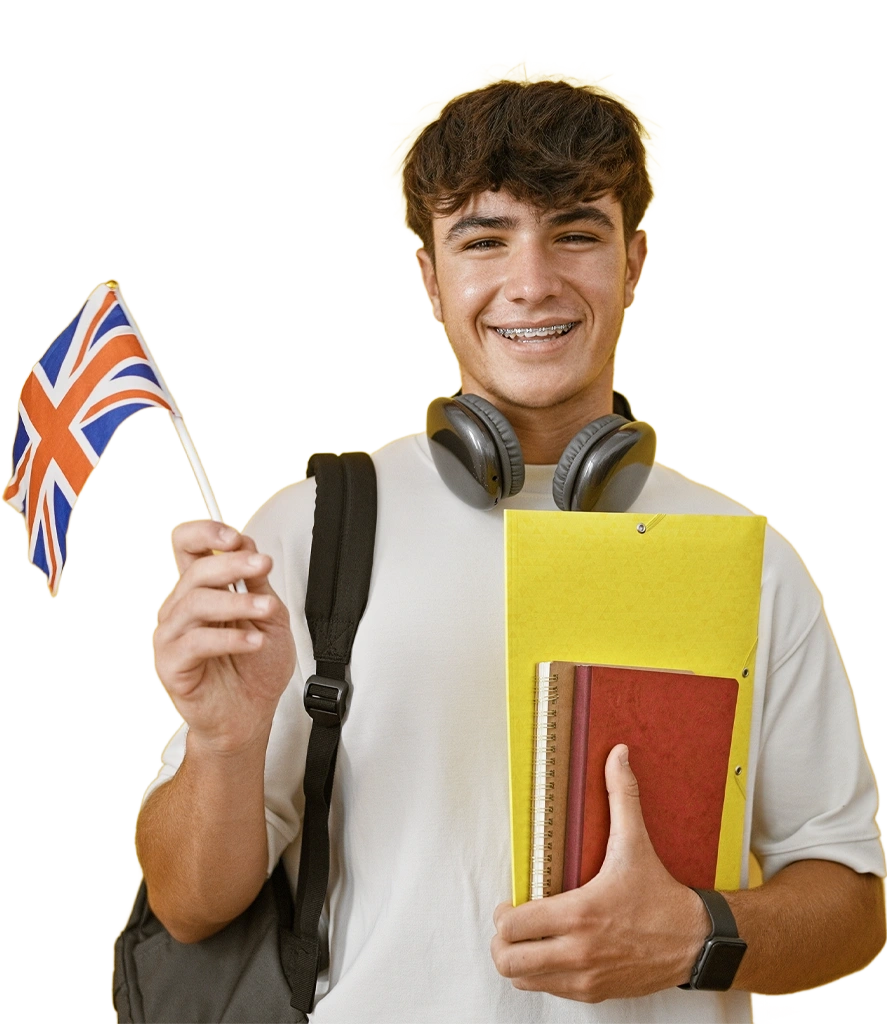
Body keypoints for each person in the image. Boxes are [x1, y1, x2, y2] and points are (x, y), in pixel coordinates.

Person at [135, 66, 885, 1023]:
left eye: (576, 232)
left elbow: (851, 902)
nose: (531, 282)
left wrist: (698, 937)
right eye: (483, 239)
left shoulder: (743, 554)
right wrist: (225, 742)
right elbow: (190, 909)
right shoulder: (311, 526)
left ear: (634, 265)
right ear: (430, 279)